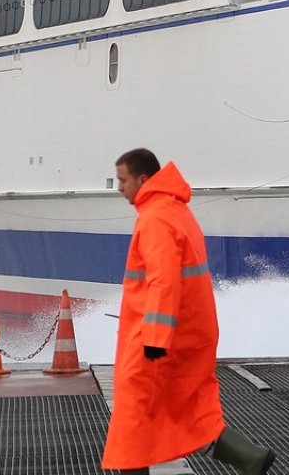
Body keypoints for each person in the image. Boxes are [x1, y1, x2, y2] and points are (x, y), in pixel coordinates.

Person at [103, 148, 276, 475]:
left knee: (134, 415)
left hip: (157, 340)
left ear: (142, 179)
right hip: (189, 333)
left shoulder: (155, 219)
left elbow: (163, 281)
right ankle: (249, 457)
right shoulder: (177, 211)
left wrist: (154, 339)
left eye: (122, 179)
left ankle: (247, 457)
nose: (118, 187)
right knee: (188, 406)